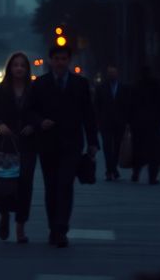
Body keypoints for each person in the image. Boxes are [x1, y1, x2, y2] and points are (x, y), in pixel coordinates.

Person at [32, 44, 99, 248]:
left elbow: (89, 114)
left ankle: (62, 228)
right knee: (51, 187)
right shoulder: (40, 84)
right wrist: (40, 121)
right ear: (50, 60)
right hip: (47, 144)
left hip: (72, 144)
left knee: (65, 185)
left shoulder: (80, 84)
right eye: (56, 59)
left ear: (69, 61)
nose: (60, 63)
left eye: (63, 59)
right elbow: (30, 111)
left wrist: (93, 142)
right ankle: (53, 227)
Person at [0, 52, 39, 243]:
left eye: (22, 65)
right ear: (9, 68)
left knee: (25, 186)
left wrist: (33, 126)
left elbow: (40, 113)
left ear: (27, 69)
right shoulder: (0, 90)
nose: (19, 68)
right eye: (15, 65)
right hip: (6, 145)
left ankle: (20, 227)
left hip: (27, 145)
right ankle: (4, 215)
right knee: (5, 184)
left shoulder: (34, 90)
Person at [128, 66, 160, 185]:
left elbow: (131, 105)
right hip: (152, 123)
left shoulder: (135, 86)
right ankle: (152, 176)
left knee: (138, 149)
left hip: (138, 124)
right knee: (153, 151)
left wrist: (131, 121)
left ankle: (136, 172)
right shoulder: (155, 85)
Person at [94, 65, 128, 181]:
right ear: (107, 75)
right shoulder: (101, 88)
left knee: (117, 147)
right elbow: (96, 106)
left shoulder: (123, 88)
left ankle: (113, 168)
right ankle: (110, 170)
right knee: (107, 146)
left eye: (114, 73)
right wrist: (98, 121)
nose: (112, 75)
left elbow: (127, 106)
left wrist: (126, 121)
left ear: (117, 74)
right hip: (105, 123)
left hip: (119, 123)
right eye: (110, 73)